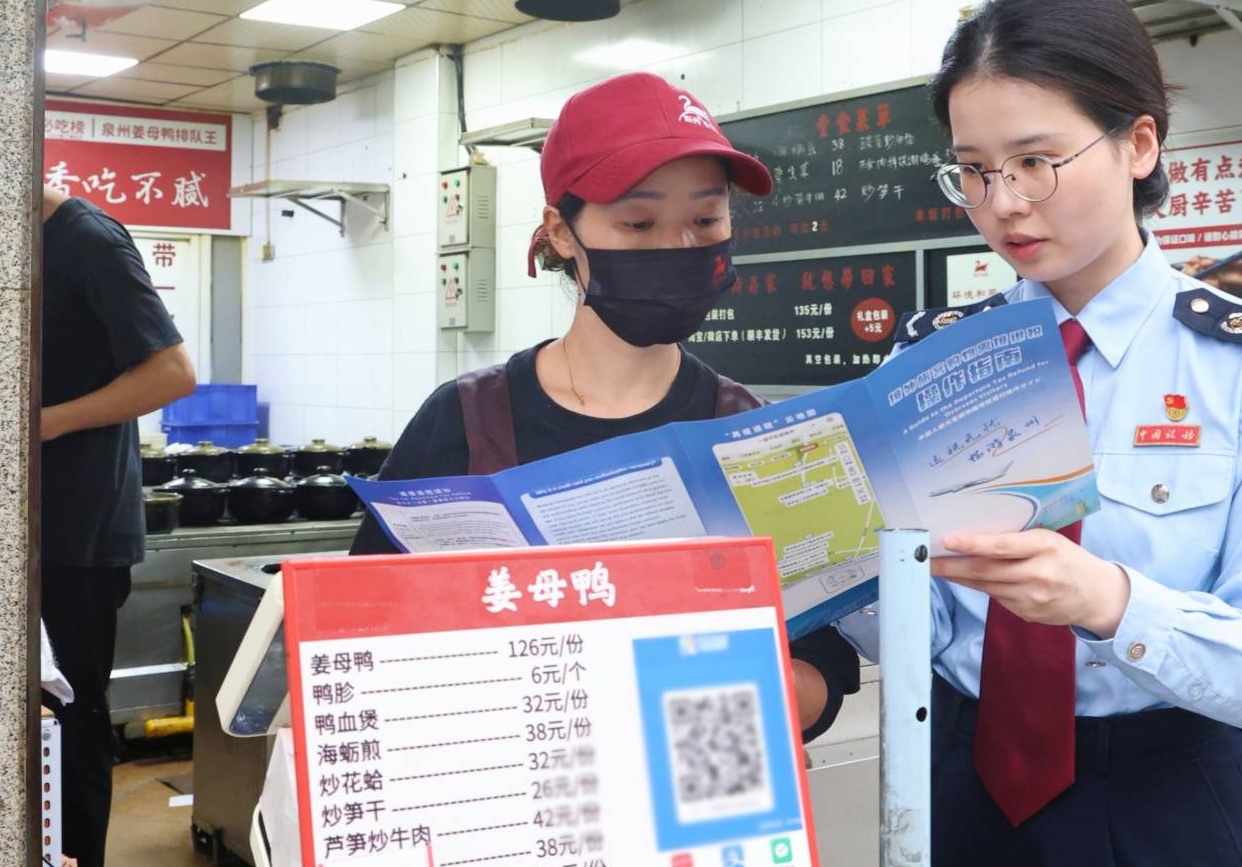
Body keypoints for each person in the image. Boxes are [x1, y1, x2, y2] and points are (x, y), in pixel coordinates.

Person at [835, 0, 1242, 867]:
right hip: (964, 794)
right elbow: (926, 628)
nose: (1003, 204)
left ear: (1139, 146)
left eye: (1035, 160)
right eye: (972, 172)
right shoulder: (940, 365)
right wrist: (834, 566)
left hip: (1161, 805)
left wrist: (1109, 598)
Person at [350, 71, 860, 738]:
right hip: (509, 800)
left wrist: (697, 672)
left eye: (704, 220)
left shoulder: (757, 435)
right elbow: (358, 634)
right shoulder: (466, 420)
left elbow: (819, 682)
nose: (678, 248)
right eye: (638, 222)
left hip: (698, 805)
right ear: (561, 233)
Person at [41, 184, 199, 867]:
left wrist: (45, 421)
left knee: (71, 735)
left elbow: (172, 373)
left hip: (78, 537)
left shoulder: (87, 238)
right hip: (30, 532)